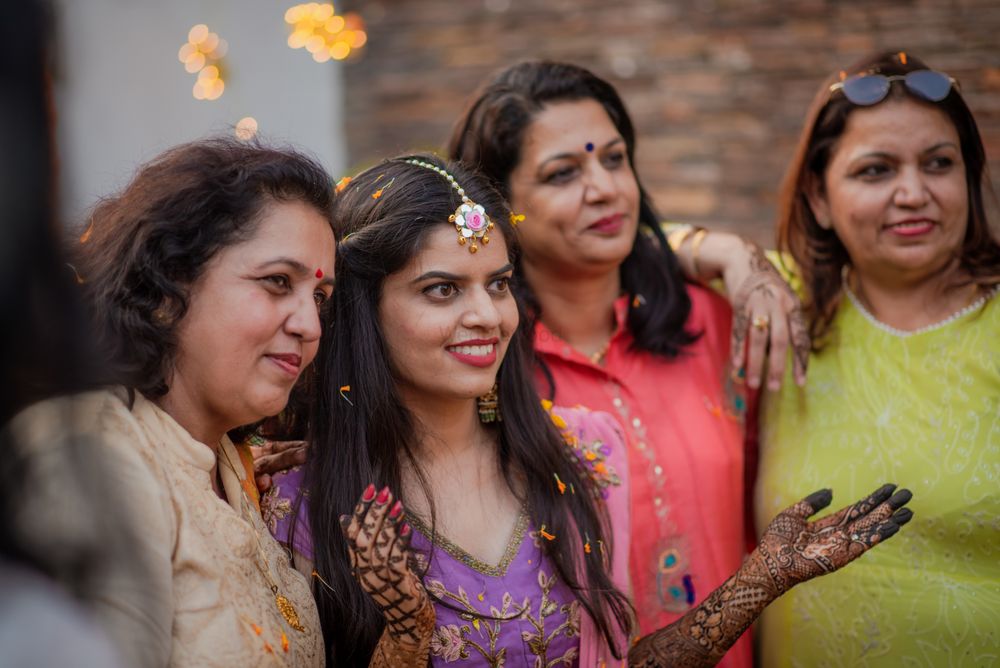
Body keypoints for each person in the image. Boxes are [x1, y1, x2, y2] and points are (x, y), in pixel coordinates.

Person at [266, 153, 914, 667]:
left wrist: (759, 581)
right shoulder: (299, 502)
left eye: (497, 284)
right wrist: (405, 638)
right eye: (441, 290)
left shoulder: (583, 453)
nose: (487, 316)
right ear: (362, 310)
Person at [446, 60, 809, 666]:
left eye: (613, 160)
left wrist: (725, 249)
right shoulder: (484, 365)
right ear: (501, 206)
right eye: (564, 174)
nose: (605, 188)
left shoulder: (715, 320)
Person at [10, 137, 343, 666]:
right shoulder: (95, 453)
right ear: (167, 288)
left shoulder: (234, 466)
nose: (308, 325)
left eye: (319, 299)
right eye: (278, 282)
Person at [754, 50, 1000, 667]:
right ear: (817, 195)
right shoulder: (786, 306)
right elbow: (634, 243)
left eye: (938, 164)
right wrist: (725, 257)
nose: (913, 193)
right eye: (876, 170)